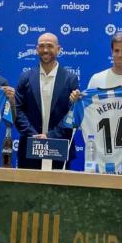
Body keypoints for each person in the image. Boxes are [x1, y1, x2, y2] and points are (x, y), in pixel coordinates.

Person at [15, 32, 79, 169]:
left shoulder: (71, 79)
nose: (45, 50)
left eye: (50, 46)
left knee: (58, 190)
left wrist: (50, 136)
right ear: (37, 49)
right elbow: (18, 110)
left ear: (58, 49)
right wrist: (35, 136)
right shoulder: (25, 77)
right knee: (27, 190)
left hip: (59, 148)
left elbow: (72, 114)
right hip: (30, 148)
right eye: (42, 46)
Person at [70, 31, 122, 101]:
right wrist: (76, 100)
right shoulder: (96, 80)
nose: (119, 55)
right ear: (112, 52)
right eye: (116, 50)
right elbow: (86, 110)